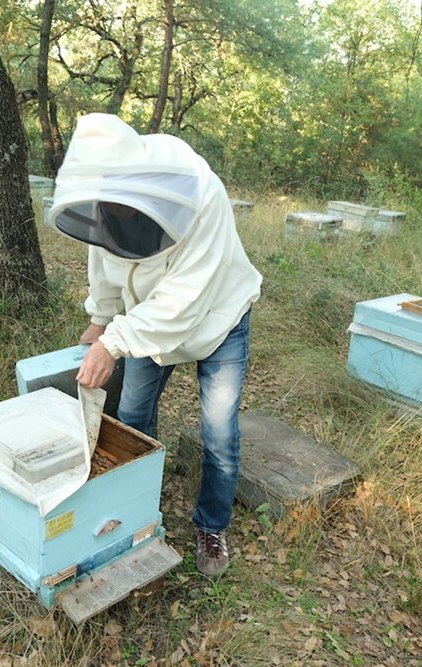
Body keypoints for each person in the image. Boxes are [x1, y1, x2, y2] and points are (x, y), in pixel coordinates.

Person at [47, 113, 262, 577]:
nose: (112, 212)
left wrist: (116, 341)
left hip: (217, 319)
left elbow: (182, 302)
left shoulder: (202, 197)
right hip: (147, 323)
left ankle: (211, 526)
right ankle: (135, 506)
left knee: (219, 434)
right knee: (131, 418)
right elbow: (103, 264)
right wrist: (100, 320)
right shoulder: (104, 199)